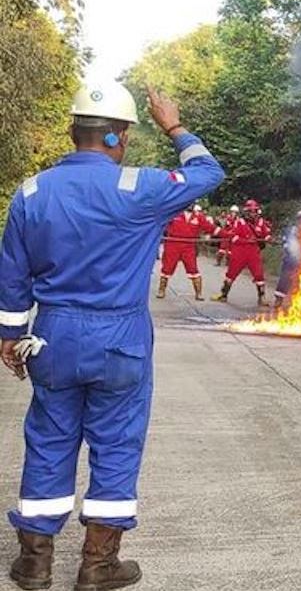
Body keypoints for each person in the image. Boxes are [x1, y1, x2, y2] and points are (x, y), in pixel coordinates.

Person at [0, 82, 224, 590]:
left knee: (49, 440)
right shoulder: (138, 187)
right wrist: (173, 124)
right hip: (120, 336)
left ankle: (34, 563)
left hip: (53, 335)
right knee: (117, 444)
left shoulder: (32, 192)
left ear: (73, 131)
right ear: (117, 137)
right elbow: (209, 172)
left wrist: (9, 335)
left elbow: (11, 276)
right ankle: (98, 566)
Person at [212, 200, 272, 306]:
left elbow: (266, 233)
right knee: (231, 274)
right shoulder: (239, 221)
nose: (253, 213)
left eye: (255, 211)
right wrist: (244, 240)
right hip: (239, 252)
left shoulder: (261, 222)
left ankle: (262, 297)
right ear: (246, 212)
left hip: (253, 252)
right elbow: (233, 236)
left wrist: (267, 238)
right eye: (251, 211)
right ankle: (224, 294)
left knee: (259, 274)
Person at [156, 204, 215, 301]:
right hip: (173, 244)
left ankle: (198, 293)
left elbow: (210, 228)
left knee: (193, 268)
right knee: (167, 268)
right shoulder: (174, 213)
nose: (190, 205)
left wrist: (229, 235)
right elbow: (161, 223)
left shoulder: (198, 217)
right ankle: (161, 290)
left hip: (189, 246)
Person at [274, 209, 301, 308]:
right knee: (284, 279)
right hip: (290, 260)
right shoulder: (291, 230)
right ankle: (278, 300)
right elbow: (287, 243)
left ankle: (297, 303)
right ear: (298, 220)